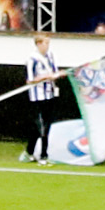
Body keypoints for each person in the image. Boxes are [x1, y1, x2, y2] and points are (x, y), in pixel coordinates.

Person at [20, 33, 66, 162]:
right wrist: (46, 77)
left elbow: (54, 72)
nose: (47, 46)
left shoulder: (50, 56)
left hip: (49, 95)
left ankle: (29, 152)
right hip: (37, 98)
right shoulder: (32, 60)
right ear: (39, 44)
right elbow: (30, 80)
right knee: (41, 126)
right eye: (45, 43)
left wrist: (59, 74)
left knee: (45, 125)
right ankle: (43, 155)